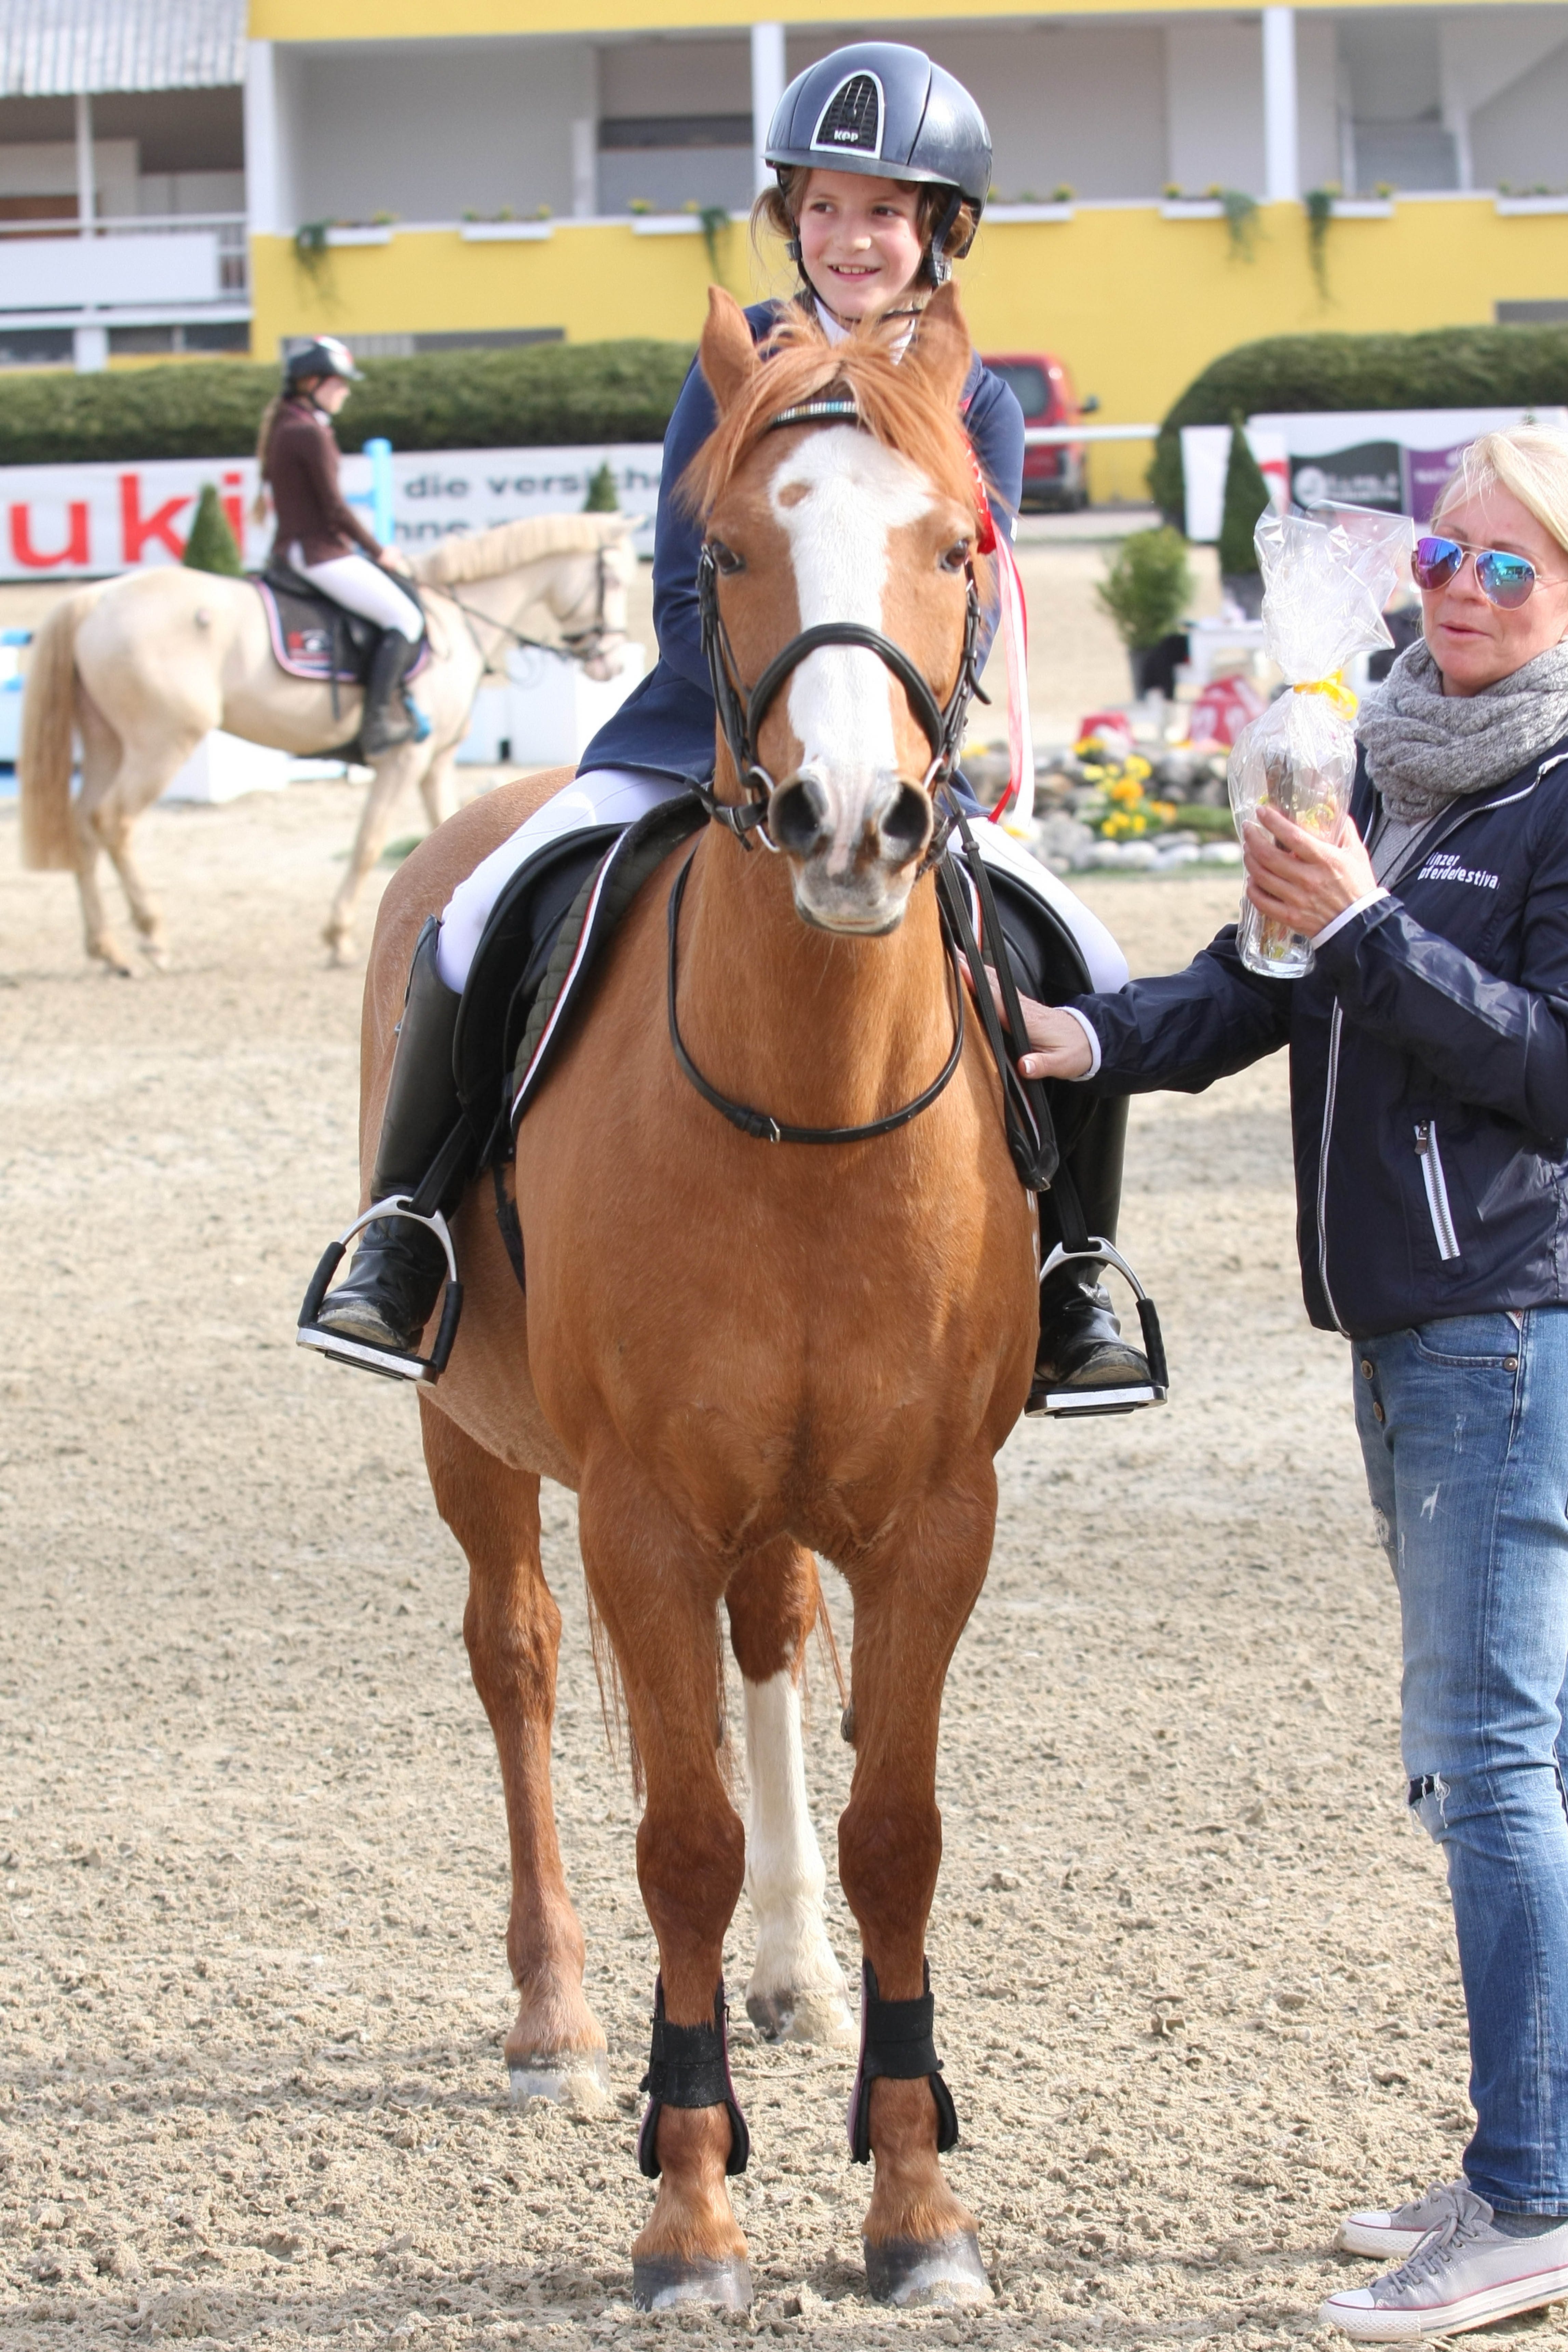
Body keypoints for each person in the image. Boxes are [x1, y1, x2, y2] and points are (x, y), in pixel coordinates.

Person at [1000, 427, 1568, 2339]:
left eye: (1503, 572)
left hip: (1508, 1330)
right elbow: (1270, 984)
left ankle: (1535, 2203)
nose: (1455, 593)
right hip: (1427, 1327)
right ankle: (1546, 2147)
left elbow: (1559, 1068)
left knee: (1484, 1760)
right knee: (1530, 1750)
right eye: (1442, 560)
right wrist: (1092, 1032)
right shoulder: (1404, 762)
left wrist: (1364, 923)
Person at [305, 40, 1149, 1412]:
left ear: (937, 226)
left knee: (1087, 953)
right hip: (696, 742)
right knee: (473, 917)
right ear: (789, 219)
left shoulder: (974, 397)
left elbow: (969, 610)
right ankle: (405, 1230)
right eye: (820, 207)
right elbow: (678, 582)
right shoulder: (735, 361)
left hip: (895, 749)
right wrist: (769, 743)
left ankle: (1072, 1273)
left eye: (881, 209)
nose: (848, 236)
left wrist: (881, 732)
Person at [260, 336, 427, 760]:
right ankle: (373, 728)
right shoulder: (308, 433)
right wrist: (378, 550)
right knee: (404, 617)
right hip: (319, 552)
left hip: (299, 547)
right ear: (312, 382)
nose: (346, 392)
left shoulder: (287, 426)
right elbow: (334, 509)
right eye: (339, 383)